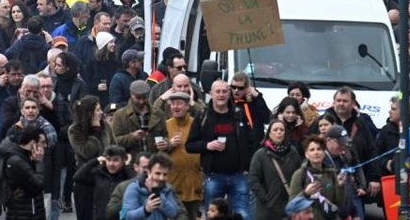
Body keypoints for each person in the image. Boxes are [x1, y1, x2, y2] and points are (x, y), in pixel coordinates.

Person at [186, 80, 257, 220]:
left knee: (243, 214)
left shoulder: (239, 114)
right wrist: (207, 145)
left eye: (224, 91)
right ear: (211, 94)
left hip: (239, 175)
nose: (221, 95)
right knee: (213, 216)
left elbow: (251, 142)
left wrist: (247, 166)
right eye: (217, 91)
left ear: (229, 93)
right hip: (214, 176)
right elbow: (190, 145)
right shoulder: (202, 115)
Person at [249, 119, 302, 220]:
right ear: (269, 133)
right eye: (275, 130)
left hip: (289, 206)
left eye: (282, 130)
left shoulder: (293, 153)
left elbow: (300, 175)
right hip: (268, 210)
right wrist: (265, 198)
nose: (279, 132)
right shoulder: (261, 154)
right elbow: (254, 179)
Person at [287, 136, 345, 220]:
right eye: (312, 150)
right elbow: (291, 206)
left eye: (319, 149)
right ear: (306, 154)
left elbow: (339, 204)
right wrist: (306, 193)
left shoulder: (331, 173)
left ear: (324, 153)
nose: (316, 152)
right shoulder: (300, 174)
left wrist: (340, 187)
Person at [0, 126, 47, 220]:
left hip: (30, 211)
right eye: (42, 142)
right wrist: (39, 162)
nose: (45, 146)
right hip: (23, 214)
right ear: (33, 143)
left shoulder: (25, 156)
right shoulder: (17, 161)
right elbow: (37, 186)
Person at [73, 145, 132, 220]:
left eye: (115, 160)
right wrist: (96, 160)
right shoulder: (98, 174)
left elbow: (135, 182)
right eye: (108, 160)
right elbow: (77, 177)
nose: (111, 164)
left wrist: (127, 166)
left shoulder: (125, 176)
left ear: (123, 161)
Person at [120, 153, 183, 220]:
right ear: (149, 171)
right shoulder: (134, 188)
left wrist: (158, 194)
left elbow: (174, 213)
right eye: (157, 173)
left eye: (165, 174)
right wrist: (145, 210)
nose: (161, 178)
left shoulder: (167, 189)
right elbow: (127, 216)